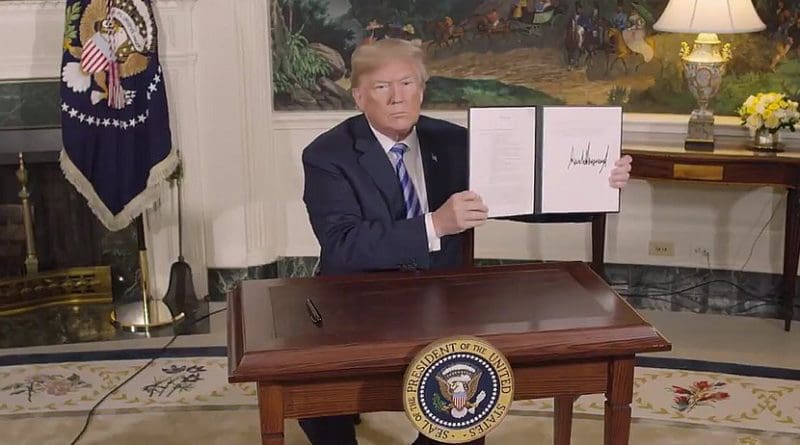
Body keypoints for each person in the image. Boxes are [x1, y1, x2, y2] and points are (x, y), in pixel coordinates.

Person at [300, 38, 632, 445]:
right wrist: (435, 224)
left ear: (423, 89)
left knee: (470, 395)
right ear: (358, 95)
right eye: (382, 87)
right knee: (313, 400)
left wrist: (598, 185)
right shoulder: (327, 155)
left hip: (439, 294)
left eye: (407, 83)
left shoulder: (452, 141)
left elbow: (522, 197)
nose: (397, 97)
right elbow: (343, 244)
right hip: (356, 298)